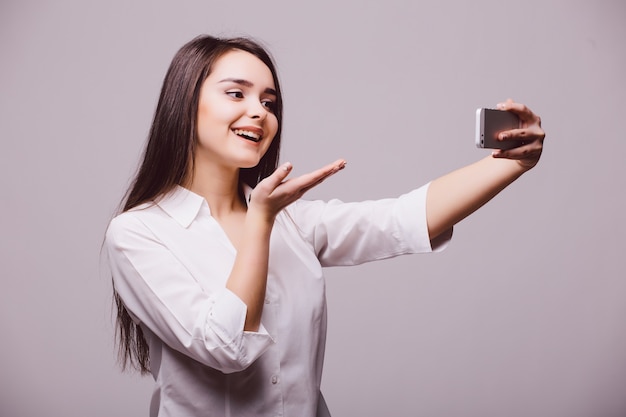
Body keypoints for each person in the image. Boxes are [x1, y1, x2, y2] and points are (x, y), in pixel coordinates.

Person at [104, 34, 545, 417]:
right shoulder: (137, 234)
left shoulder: (292, 220)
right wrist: (259, 221)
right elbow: (225, 346)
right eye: (236, 94)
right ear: (185, 104)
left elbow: (400, 219)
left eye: (269, 102)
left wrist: (512, 164)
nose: (259, 112)